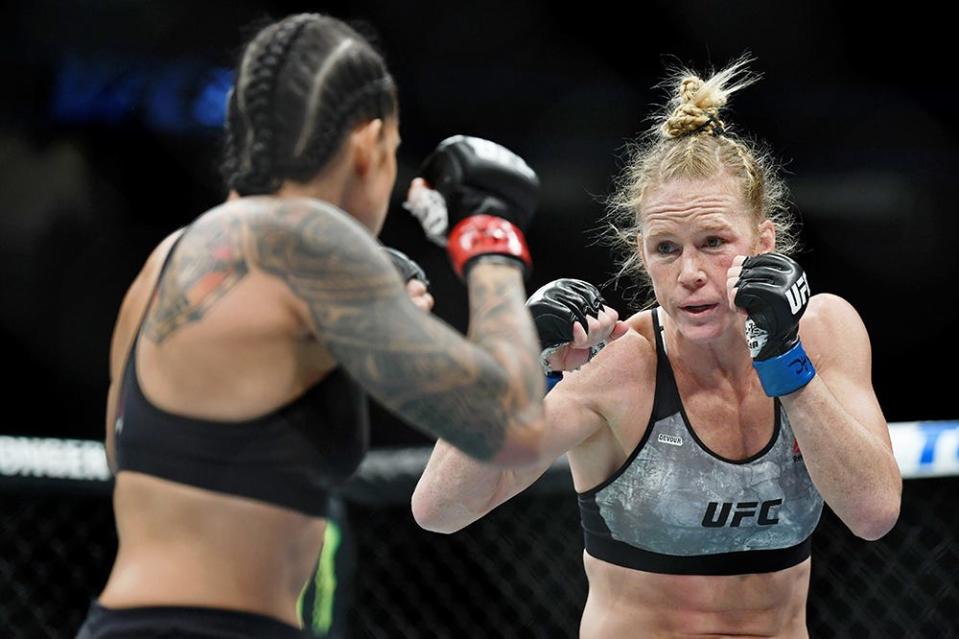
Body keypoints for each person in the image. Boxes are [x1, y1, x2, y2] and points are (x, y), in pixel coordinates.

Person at [78, 12, 547, 639]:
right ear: (367, 143)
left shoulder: (165, 260)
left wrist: (334, 343)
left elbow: (136, 460)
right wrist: (490, 244)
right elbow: (510, 423)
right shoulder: (307, 239)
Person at [411, 57, 902, 637]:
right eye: (666, 248)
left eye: (714, 242)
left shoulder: (825, 332)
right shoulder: (620, 364)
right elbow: (440, 510)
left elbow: (873, 514)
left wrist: (786, 364)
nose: (691, 272)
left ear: (764, 243)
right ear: (642, 255)